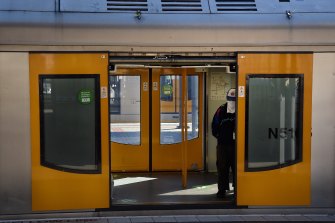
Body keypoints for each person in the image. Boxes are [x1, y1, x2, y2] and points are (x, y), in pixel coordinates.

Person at [211, 88, 236, 198]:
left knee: (237, 167)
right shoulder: (221, 110)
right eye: (230, 99)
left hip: (238, 146)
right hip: (223, 145)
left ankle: (238, 188)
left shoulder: (242, 109)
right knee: (222, 167)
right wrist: (220, 137)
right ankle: (222, 189)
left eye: (234, 99)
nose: (232, 102)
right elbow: (214, 126)